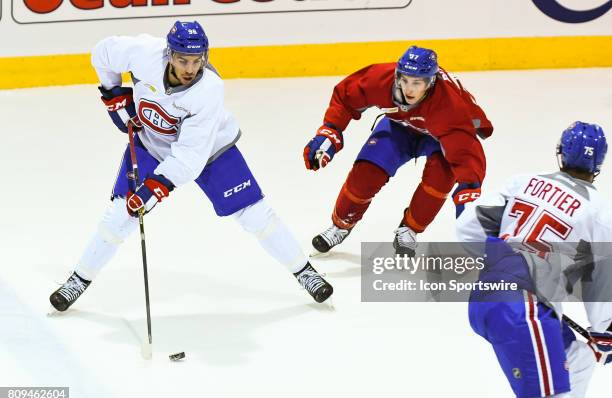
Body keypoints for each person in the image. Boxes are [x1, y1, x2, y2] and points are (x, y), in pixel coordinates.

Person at [49, 21, 333, 311]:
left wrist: (156, 186)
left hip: (211, 150)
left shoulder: (209, 89)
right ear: (169, 53)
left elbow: (191, 156)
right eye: (183, 60)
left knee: (255, 214)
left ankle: (304, 271)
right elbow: (102, 53)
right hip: (153, 143)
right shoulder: (143, 53)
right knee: (120, 215)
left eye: (197, 61)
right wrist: (112, 94)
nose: (190, 69)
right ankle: (78, 279)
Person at [457, 121, 612, 398]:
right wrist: (605, 330)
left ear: (561, 154)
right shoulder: (599, 211)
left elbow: (467, 227)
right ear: (599, 162)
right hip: (523, 311)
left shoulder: (522, 182)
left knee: (577, 359)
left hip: (487, 300)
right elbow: (602, 279)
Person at [303, 45, 493, 255]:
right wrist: (330, 131)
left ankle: (410, 229)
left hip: (439, 137)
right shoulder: (381, 79)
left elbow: (466, 152)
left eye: (417, 83)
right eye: (404, 80)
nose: (408, 89)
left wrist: (468, 189)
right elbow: (346, 96)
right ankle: (341, 225)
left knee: (439, 179)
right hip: (399, 127)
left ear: (431, 82)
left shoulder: (451, 107)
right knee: (366, 172)